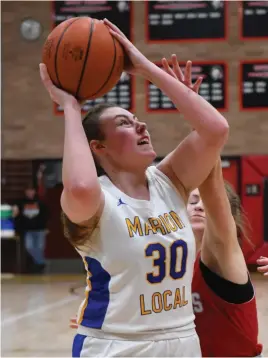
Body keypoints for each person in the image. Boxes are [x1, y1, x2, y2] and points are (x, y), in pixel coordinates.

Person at [40, 18, 229, 357]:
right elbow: (80, 186)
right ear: (99, 147)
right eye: (124, 123)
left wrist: (142, 66)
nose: (141, 124)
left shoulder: (170, 182)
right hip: (114, 343)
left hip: (183, 339)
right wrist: (70, 106)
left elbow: (215, 130)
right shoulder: (97, 199)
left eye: (137, 119)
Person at [13, 185, 48, 273]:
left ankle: (39, 265)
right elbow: (16, 215)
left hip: (40, 229)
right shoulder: (20, 202)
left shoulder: (40, 202)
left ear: (34, 192)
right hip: (27, 229)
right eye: (28, 191)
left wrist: (45, 227)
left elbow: (46, 215)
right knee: (29, 247)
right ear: (25, 192)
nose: (30, 193)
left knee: (40, 248)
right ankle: (41, 262)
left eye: (31, 190)